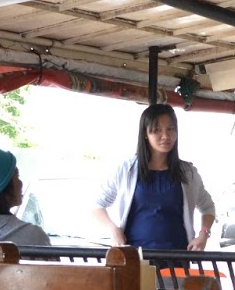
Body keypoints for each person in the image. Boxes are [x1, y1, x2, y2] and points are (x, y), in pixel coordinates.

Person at [93, 103, 217, 251]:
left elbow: (207, 206)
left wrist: (203, 234)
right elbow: (98, 205)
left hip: (177, 258)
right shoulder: (127, 169)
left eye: (170, 129)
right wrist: (113, 229)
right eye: (157, 129)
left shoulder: (188, 172)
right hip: (135, 258)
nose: (165, 136)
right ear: (145, 133)